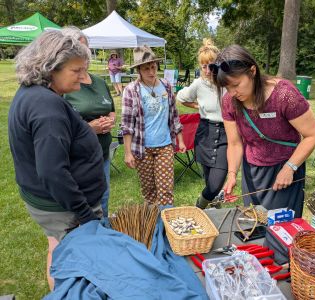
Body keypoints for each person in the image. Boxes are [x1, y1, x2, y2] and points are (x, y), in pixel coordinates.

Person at [8, 30, 106, 290]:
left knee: (60, 253)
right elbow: (52, 172)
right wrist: (86, 215)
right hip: (65, 210)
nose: (85, 79)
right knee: (77, 270)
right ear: (51, 67)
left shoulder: (36, 94)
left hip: (53, 205)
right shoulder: (46, 107)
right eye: (77, 71)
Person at [212, 45, 315, 217]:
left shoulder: (284, 95)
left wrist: (289, 168)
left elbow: (313, 135)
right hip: (252, 172)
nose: (232, 93)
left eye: (236, 85)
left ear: (252, 71)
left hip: (285, 169)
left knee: (281, 229)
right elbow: (234, 143)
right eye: (227, 88)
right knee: (255, 223)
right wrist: (232, 174)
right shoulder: (229, 102)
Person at [62, 26, 116, 218]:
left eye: (86, 50)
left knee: (103, 198)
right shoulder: (63, 86)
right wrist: (90, 128)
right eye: (78, 50)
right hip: (77, 159)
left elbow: (111, 109)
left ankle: (101, 236)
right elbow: (60, 127)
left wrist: (109, 121)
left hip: (101, 154)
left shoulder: (99, 82)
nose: (84, 56)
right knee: (81, 206)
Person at [121, 46, 186, 205]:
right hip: (142, 148)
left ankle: (166, 226)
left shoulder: (166, 86)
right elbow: (127, 123)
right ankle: (153, 225)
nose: (151, 72)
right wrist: (128, 152)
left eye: (153, 67)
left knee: (166, 190)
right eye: (146, 68)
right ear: (139, 70)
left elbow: (174, 114)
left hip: (165, 145)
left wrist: (181, 139)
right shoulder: (131, 90)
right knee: (149, 191)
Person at [176, 39, 228, 209]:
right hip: (205, 134)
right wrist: (198, 105)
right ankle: (213, 211)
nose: (207, 70)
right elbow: (181, 97)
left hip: (226, 134)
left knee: (215, 184)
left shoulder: (227, 83)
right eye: (203, 66)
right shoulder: (198, 84)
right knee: (209, 181)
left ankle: (199, 207)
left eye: (211, 65)